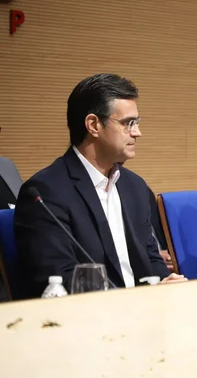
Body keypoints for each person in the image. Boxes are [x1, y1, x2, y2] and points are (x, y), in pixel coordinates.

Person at [14, 73, 186, 298]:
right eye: (128, 123)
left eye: (137, 123)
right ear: (93, 125)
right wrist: (138, 301)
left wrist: (165, 283)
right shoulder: (45, 194)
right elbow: (59, 283)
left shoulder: (134, 187)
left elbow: (151, 259)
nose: (137, 132)